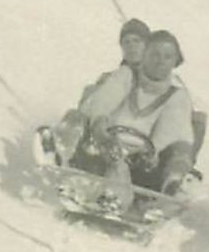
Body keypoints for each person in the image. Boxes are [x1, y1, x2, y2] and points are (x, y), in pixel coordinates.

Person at [49, 30, 197, 201]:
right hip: (102, 142)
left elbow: (172, 129)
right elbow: (104, 99)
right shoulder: (127, 75)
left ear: (175, 62)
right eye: (155, 54)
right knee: (76, 117)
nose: (160, 61)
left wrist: (151, 151)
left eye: (167, 57)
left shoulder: (176, 95)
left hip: (140, 160)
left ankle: (170, 190)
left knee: (181, 149)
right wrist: (100, 124)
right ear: (144, 55)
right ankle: (61, 159)